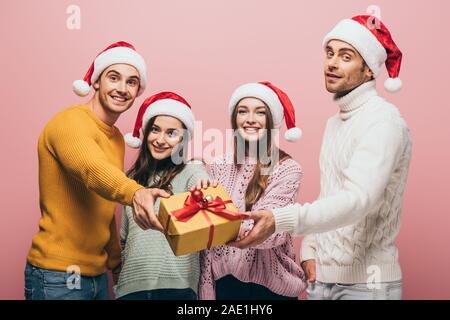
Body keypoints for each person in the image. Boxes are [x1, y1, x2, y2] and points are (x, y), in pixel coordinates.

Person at [233, 15, 412, 300]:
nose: (331, 63)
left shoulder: (383, 122)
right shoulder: (335, 123)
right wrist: (310, 249)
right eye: (329, 54)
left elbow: (357, 200)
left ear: (368, 70)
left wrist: (280, 219)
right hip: (322, 279)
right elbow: (332, 194)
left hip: (367, 285)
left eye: (346, 56)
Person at [25, 41, 169, 300]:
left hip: (98, 276)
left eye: (131, 82)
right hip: (58, 275)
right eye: (114, 78)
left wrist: (116, 263)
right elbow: (93, 170)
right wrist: (137, 192)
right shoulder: (69, 122)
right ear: (96, 82)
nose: (122, 89)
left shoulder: (114, 138)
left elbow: (103, 203)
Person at [198, 82, 307, 300]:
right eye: (242, 111)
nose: (250, 119)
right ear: (234, 120)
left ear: (271, 121)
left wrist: (221, 224)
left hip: (269, 287)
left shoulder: (286, 168)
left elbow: (269, 233)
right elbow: (207, 230)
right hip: (224, 283)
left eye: (260, 112)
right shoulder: (219, 165)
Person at [115, 92, 210, 300]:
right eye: (155, 130)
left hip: (177, 289)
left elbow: (201, 181)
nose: (160, 140)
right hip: (131, 289)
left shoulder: (190, 170)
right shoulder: (131, 180)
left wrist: (203, 186)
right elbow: (124, 237)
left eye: (171, 133)